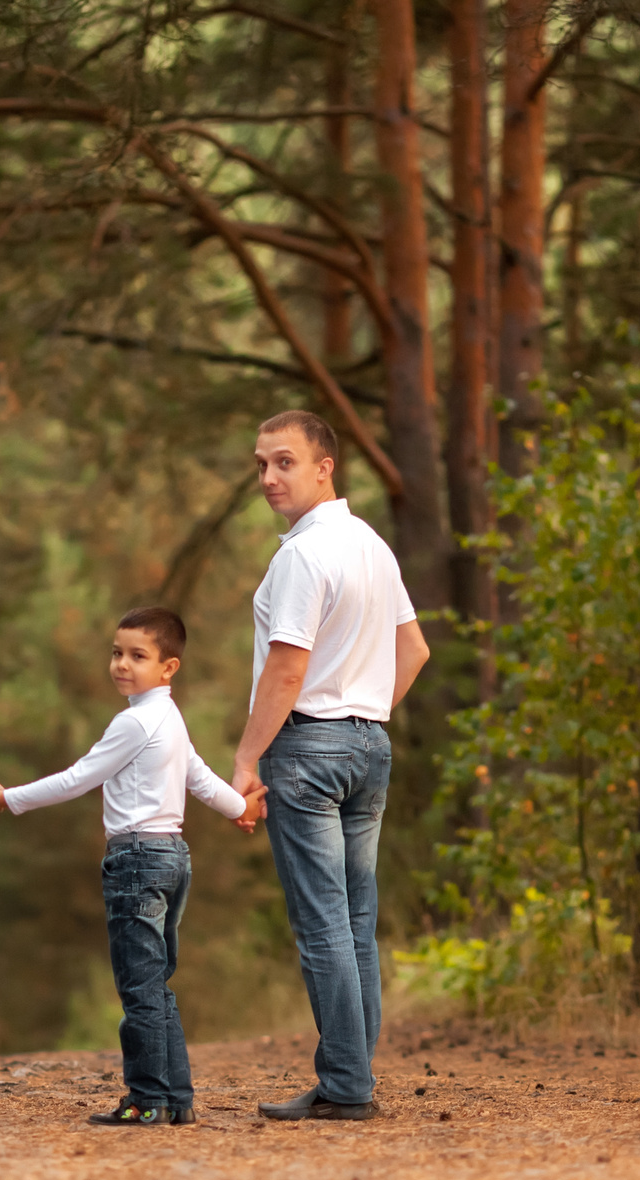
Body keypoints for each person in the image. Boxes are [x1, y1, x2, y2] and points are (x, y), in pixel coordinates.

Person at [0, 608, 261, 1126]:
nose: (122, 664)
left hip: (137, 861)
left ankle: (148, 1099)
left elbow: (78, 778)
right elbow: (199, 775)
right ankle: (176, 1099)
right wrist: (240, 810)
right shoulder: (169, 718)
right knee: (157, 984)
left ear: (169, 667)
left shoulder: (135, 722)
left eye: (137, 656)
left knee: (139, 988)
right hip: (172, 857)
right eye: (116, 652)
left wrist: (7, 799)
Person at [228, 411, 431, 1121]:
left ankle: (347, 1085)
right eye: (260, 464)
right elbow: (414, 650)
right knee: (355, 920)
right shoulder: (372, 545)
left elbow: (287, 669)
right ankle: (351, 1076)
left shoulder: (302, 555)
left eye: (284, 462)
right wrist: (365, 714)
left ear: (325, 467)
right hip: (368, 747)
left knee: (323, 925)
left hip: (308, 750)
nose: (268, 478)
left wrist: (248, 756)